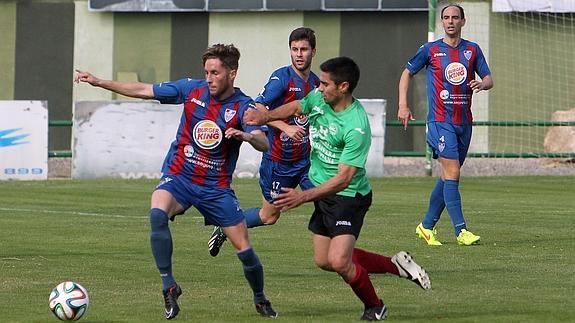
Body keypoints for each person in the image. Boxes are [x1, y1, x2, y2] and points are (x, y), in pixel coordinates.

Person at [74, 44, 278, 320]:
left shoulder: (244, 107)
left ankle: (259, 299)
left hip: (215, 188)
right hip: (180, 176)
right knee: (157, 212)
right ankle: (169, 286)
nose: (208, 78)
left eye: (215, 72)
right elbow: (144, 90)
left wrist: (247, 136)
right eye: (206, 72)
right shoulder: (191, 90)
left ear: (232, 73)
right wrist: (98, 81)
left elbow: (264, 142)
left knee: (245, 249)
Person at [245, 56, 431, 321]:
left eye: (324, 83)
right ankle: (395, 264)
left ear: (343, 87)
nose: (318, 87)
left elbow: (344, 179)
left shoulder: (356, 126)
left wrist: (303, 196)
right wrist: (266, 115)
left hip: (348, 197)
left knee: (341, 262)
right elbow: (298, 105)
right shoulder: (319, 99)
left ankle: (375, 306)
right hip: (324, 193)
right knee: (325, 260)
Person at [208, 27, 320, 257]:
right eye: (294, 49)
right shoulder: (281, 79)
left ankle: (341, 256)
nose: (299, 54)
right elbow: (258, 109)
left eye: (304, 49)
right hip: (278, 162)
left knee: (329, 201)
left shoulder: (317, 83)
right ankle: (226, 227)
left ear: (313, 52)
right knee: (269, 217)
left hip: (306, 163)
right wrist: (285, 126)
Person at [398, 4, 493, 246]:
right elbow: (406, 73)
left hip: (465, 123)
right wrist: (403, 105)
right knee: (453, 173)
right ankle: (461, 231)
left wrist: (482, 84)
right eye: (446, 18)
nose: (450, 21)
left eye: (455, 17)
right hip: (441, 122)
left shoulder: (473, 50)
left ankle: (426, 226)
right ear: (442, 22)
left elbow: (489, 78)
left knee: (448, 175)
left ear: (463, 21)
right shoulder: (430, 50)